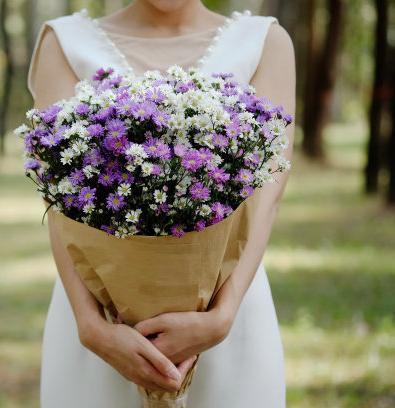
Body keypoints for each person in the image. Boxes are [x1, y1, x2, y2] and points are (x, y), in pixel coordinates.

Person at [27, 1, 295, 406]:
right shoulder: (64, 41)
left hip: (229, 311)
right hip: (102, 322)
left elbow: (269, 192)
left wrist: (221, 317)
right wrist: (89, 325)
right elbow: (58, 194)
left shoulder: (265, 42)